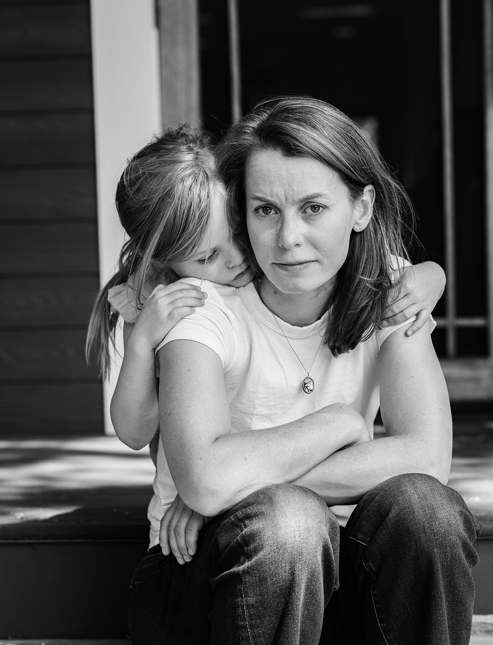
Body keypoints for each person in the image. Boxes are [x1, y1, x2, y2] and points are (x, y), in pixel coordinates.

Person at [109, 97, 493, 645]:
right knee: (284, 520)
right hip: (208, 605)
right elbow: (203, 476)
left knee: (422, 506)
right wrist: (329, 428)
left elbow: (425, 455)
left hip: (337, 611)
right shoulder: (204, 309)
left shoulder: (393, 298)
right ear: (239, 214)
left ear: (360, 208)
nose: (286, 238)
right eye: (263, 210)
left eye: (314, 207)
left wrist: (229, 476)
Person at [85, 125, 445, 456]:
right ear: (165, 263)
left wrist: (432, 276)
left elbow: (395, 271)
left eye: (239, 232)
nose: (237, 258)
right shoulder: (167, 303)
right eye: (208, 256)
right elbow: (134, 433)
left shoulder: (313, 271)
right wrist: (141, 342)